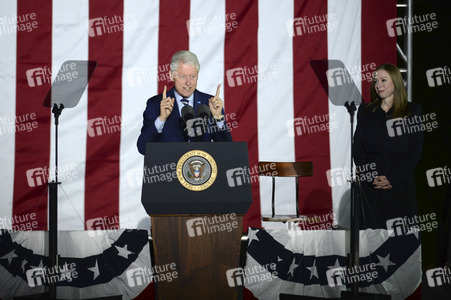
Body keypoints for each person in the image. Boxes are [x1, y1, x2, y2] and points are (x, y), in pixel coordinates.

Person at [353, 63, 423, 229]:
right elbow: (358, 148)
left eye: (384, 80)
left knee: (400, 246)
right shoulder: (365, 111)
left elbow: (415, 150)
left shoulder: (412, 110)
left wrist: (392, 178)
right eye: (376, 81)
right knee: (370, 244)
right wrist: (371, 177)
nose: (378, 85)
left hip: (400, 186)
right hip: (372, 187)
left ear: (396, 82)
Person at [137, 50, 232, 155]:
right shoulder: (155, 104)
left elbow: (227, 149)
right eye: (183, 76)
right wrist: (161, 119)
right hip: (169, 169)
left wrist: (218, 118)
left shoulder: (210, 103)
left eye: (192, 76)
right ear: (171, 75)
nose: (188, 82)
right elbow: (143, 148)